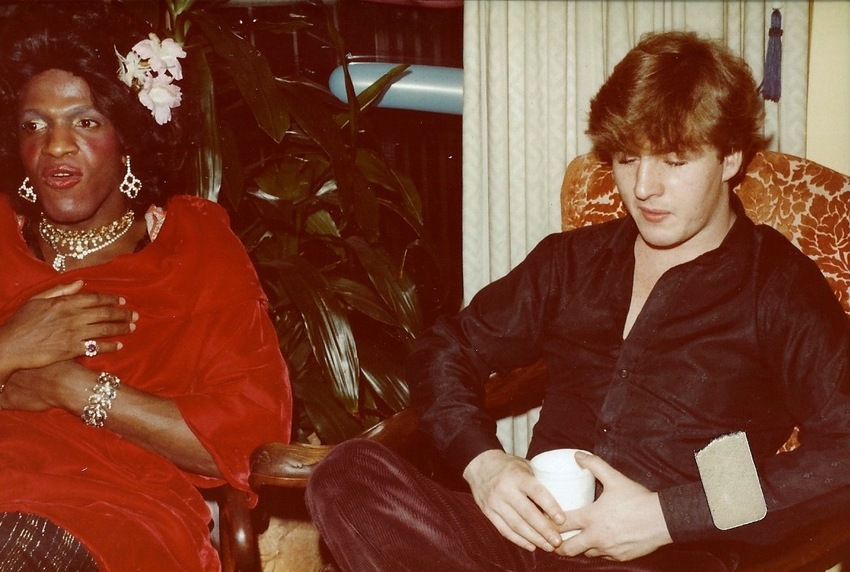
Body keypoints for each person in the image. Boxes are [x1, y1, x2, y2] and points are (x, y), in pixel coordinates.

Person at [305, 30, 850, 571]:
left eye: (674, 162)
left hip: (662, 557)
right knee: (345, 475)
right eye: (626, 158)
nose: (643, 188)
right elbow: (447, 348)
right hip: (526, 538)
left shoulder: (778, 286)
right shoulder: (573, 261)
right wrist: (484, 463)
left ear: (731, 158)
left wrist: (667, 515)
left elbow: (842, 452)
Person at [0, 3, 291, 571]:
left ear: (128, 137)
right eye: (34, 125)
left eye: (85, 122)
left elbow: (249, 434)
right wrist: (9, 349)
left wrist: (69, 388)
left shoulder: (192, 243)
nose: (55, 145)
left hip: (115, 512)